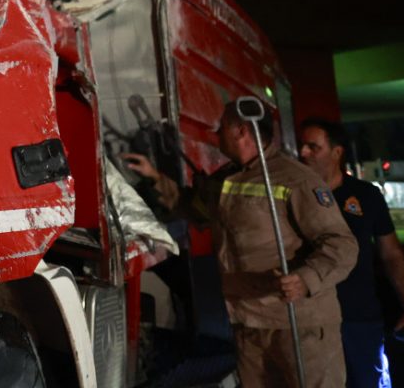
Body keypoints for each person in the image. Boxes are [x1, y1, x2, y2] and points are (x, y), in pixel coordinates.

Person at [122, 97, 357, 388]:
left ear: (241, 131)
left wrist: (306, 279)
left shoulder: (295, 179)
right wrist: (154, 176)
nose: (216, 133)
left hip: (298, 325)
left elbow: (342, 244)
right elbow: (194, 208)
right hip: (248, 325)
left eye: (222, 127)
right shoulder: (227, 179)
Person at [298, 117, 404, 388]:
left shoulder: (366, 196)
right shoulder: (295, 197)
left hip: (360, 317)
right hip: (310, 319)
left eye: (313, 147)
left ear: (336, 152)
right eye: (302, 146)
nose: (303, 152)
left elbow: (392, 255)